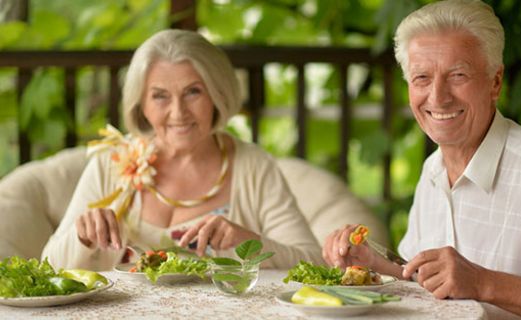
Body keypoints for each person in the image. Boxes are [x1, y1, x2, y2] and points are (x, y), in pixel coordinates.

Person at [322, 0, 521, 319]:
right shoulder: (432, 170)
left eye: (457, 75)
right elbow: (422, 280)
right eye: (422, 78)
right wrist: (371, 264)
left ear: (495, 82)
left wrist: (484, 283)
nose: (438, 97)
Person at [42, 29, 323, 270]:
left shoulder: (253, 166)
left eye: (193, 92)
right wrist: (82, 237)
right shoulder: (110, 163)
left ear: (217, 93)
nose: (178, 113)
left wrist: (247, 243)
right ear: (141, 104)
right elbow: (48, 266)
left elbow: (312, 262)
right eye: (160, 96)